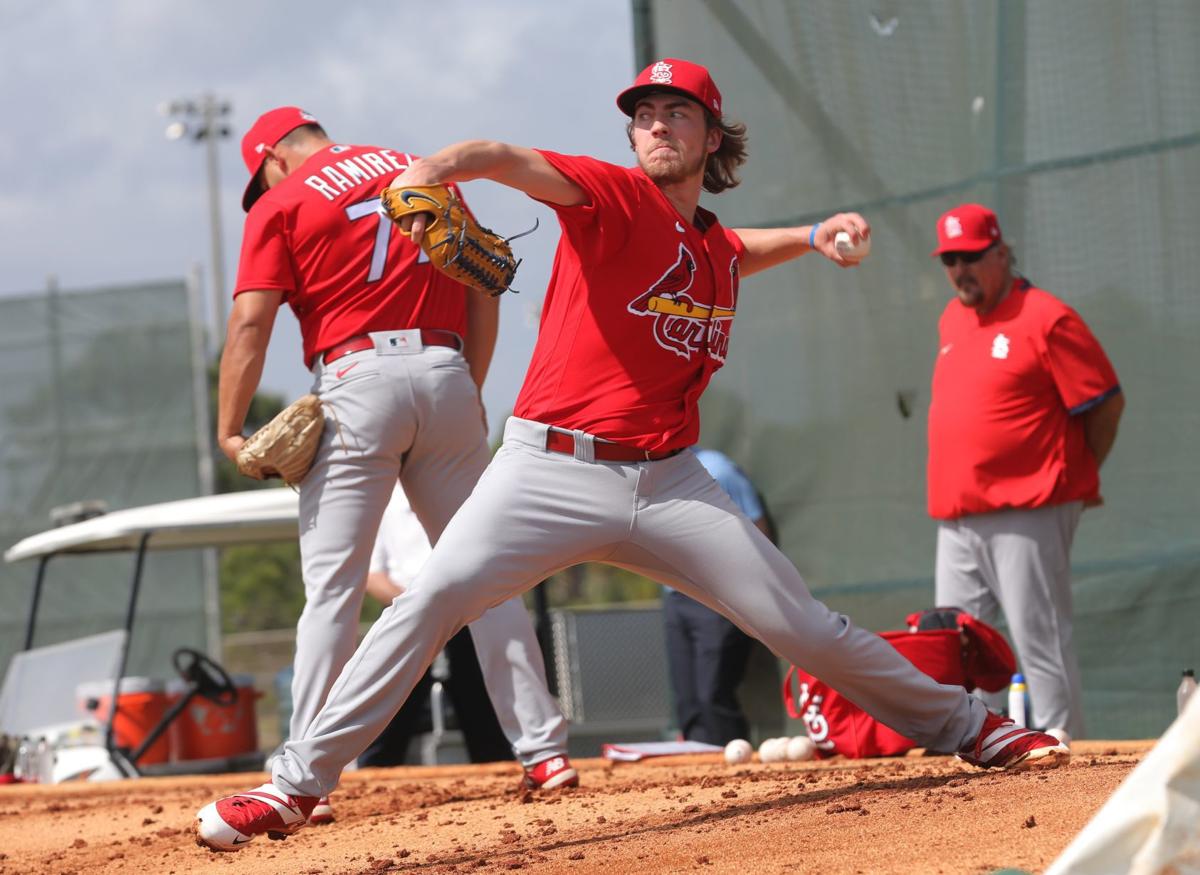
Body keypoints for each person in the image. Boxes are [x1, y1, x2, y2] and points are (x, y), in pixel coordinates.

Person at [197, 60, 1070, 852]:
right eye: (644, 113)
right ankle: (293, 784)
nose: (656, 125)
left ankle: (974, 726)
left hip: (670, 480)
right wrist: (429, 171)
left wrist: (811, 236)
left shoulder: (712, 248)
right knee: (430, 598)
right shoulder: (609, 197)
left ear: (712, 137)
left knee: (802, 625)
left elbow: (733, 250)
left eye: (676, 113)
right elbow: (504, 154)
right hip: (549, 468)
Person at [215, 107, 576, 826]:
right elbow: (484, 280)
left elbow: (252, 323)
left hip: (355, 381)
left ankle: (305, 773)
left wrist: (229, 428)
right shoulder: (419, 168)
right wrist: (464, 386)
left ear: (274, 160)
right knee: (488, 573)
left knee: (334, 589)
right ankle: (544, 750)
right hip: (444, 366)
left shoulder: (284, 201)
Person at [927, 203, 1124, 740]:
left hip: (1030, 506)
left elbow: (1105, 403)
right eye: (950, 259)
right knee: (961, 645)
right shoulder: (951, 317)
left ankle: (1065, 749)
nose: (960, 269)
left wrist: (1073, 476)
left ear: (1003, 252)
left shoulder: (1047, 316)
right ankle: (981, 745)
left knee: (1042, 639)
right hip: (957, 513)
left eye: (970, 256)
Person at [358, 484, 511, 767]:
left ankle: (500, 772)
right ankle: (372, 776)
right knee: (390, 707)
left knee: (480, 703)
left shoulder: (460, 489)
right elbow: (373, 575)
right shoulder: (381, 499)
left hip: (466, 615)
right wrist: (418, 605)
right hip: (405, 616)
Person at [663, 448, 774, 745]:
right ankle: (699, 773)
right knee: (687, 700)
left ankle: (735, 774)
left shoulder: (717, 468)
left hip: (718, 598)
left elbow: (758, 529)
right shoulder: (652, 473)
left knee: (712, 694)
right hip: (676, 597)